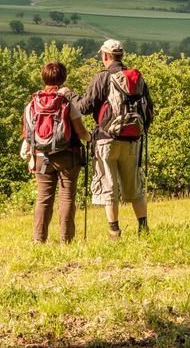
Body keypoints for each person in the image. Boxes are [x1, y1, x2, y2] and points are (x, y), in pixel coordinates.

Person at [69, 39, 153, 239]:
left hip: (106, 139)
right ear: (121, 56)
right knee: (134, 185)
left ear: (105, 56)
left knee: (109, 185)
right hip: (133, 140)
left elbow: (84, 107)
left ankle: (114, 230)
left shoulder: (102, 78)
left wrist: (70, 95)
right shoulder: (136, 78)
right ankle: (143, 228)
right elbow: (149, 110)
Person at [24, 61, 91, 243]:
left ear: (43, 78)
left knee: (43, 199)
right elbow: (81, 132)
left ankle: (39, 240)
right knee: (67, 198)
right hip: (67, 156)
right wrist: (91, 138)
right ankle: (66, 241)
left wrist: (29, 155)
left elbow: (28, 133)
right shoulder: (67, 104)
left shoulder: (32, 104)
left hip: (40, 157)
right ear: (63, 78)